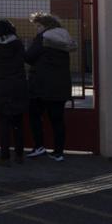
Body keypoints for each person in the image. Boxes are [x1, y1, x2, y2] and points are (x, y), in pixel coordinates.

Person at [26, 12, 76, 162]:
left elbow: (29, 57)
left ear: (46, 26)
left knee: (35, 116)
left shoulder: (43, 38)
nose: (37, 29)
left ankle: (39, 146)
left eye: (39, 26)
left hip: (41, 85)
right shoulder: (64, 38)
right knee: (57, 119)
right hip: (60, 85)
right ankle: (59, 152)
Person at [0, 19, 28, 167]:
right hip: (17, 85)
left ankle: (4, 156)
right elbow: (24, 59)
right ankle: (20, 155)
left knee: (3, 123)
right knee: (18, 122)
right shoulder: (18, 43)